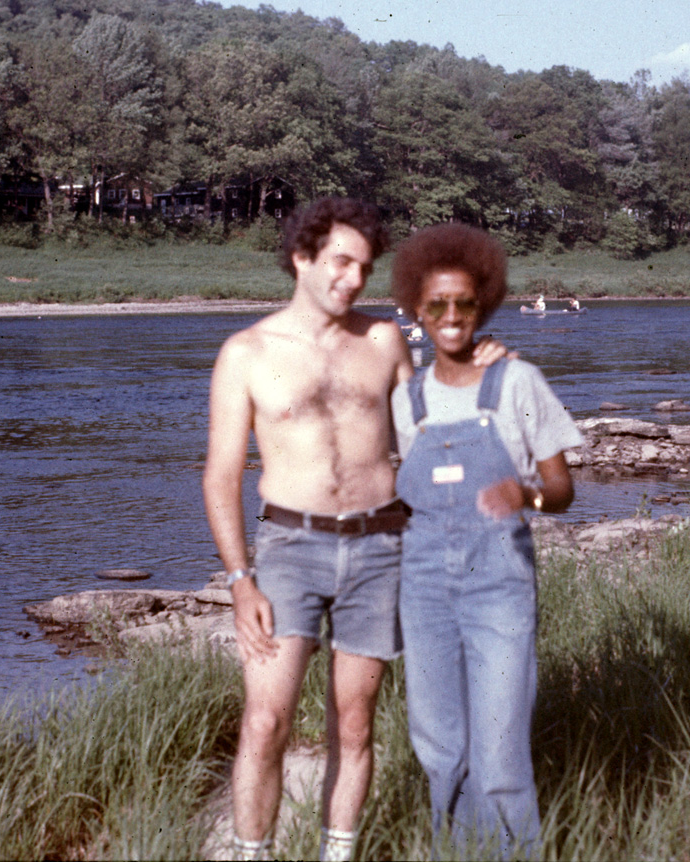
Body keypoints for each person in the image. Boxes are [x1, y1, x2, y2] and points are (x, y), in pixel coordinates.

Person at [202, 197, 502, 861]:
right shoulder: (246, 353)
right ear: (302, 259)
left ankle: (338, 854)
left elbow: (425, 443)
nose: (352, 279)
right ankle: (253, 853)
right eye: (340, 261)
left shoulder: (385, 341)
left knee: (355, 720)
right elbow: (220, 478)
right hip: (288, 550)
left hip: (381, 549)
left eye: (363, 267)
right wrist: (241, 580)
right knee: (265, 719)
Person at [390, 223, 582, 859]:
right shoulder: (404, 400)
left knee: (499, 751)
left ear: (483, 307)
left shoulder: (518, 382)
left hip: (499, 584)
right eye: (436, 304)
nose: (450, 316)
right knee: (439, 746)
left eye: (464, 303)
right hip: (422, 587)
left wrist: (519, 496)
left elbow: (561, 490)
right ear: (417, 311)